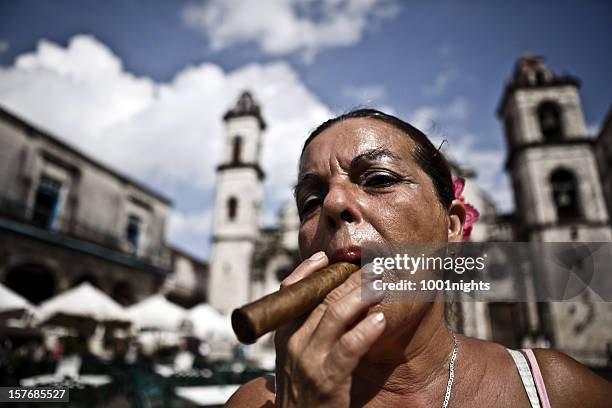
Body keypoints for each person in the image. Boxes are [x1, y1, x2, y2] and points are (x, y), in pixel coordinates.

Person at [226, 109, 611, 407]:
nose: (334, 203)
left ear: (453, 228)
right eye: (311, 201)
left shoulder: (561, 392)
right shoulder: (255, 403)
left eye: (378, 179)